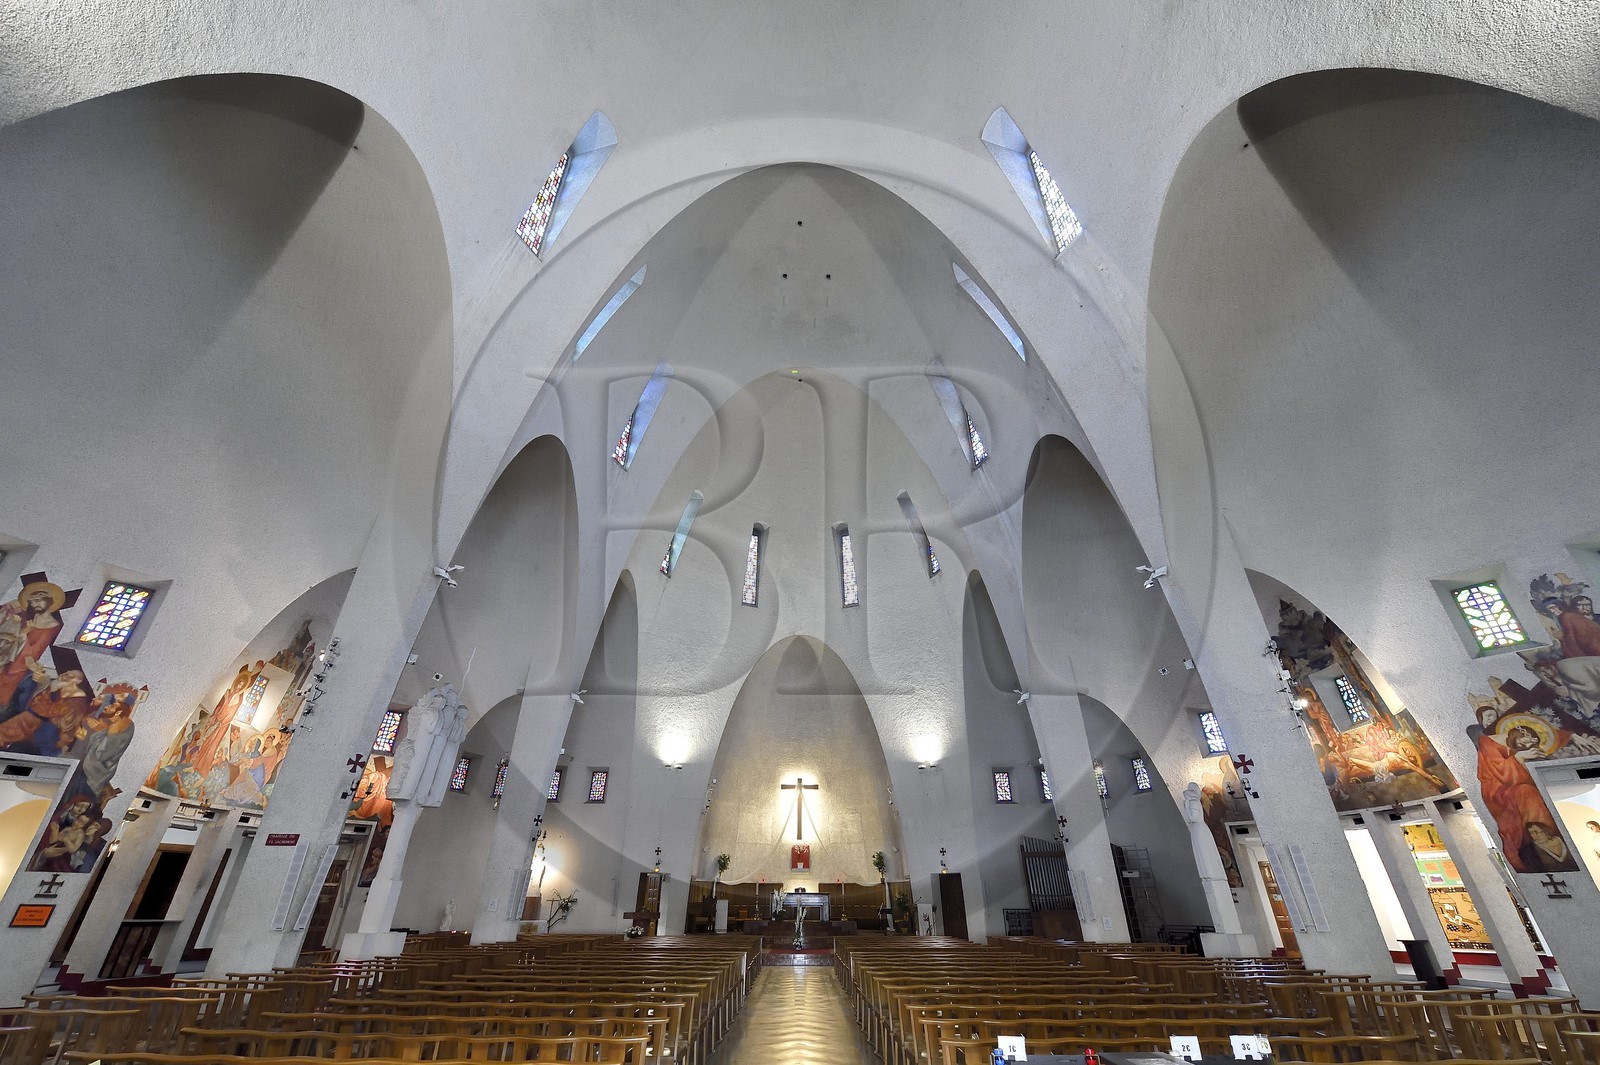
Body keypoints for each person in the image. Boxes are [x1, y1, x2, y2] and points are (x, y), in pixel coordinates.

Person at [1472, 721, 1572, 871]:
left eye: (1532, 739)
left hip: (1529, 787)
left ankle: (1555, 840)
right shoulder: (1489, 743)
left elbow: (1554, 735)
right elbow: (1502, 774)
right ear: (1514, 736)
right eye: (1524, 738)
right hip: (1500, 792)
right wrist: (1519, 758)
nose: (1529, 741)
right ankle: (1539, 845)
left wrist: (1573, 736)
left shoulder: (1534, 748)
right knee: (1526, 793)